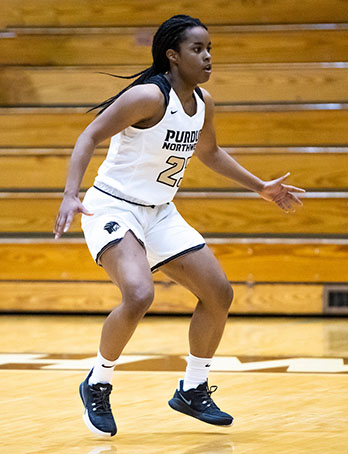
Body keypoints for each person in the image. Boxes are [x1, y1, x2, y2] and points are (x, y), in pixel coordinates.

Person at [54, 14, 304, 437]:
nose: (207, 57)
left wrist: (260, 187)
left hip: (160, 211)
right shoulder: (149, 96)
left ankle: (192, 387)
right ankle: (97, 381)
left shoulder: (203, 102)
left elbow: (211, 153)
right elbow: (89, 135)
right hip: (114, 206)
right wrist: (69, 193)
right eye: (197, 49)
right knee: (138, 293)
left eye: (210, 49)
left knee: (219, 293)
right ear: (173, 55)